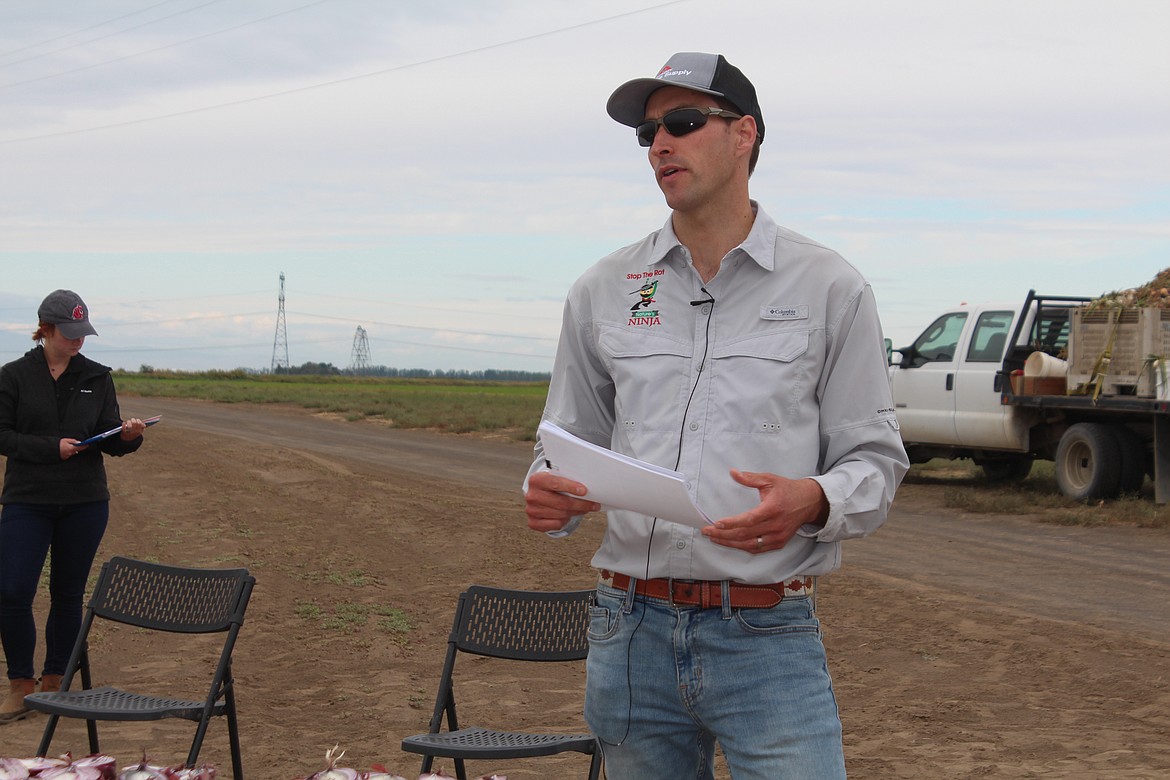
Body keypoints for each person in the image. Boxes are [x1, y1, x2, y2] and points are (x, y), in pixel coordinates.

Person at [523, 53, 909, 778]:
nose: (660, 143)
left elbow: (876, 460)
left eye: (683, 122)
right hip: (627, 631)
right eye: (648, 133)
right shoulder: (604, 288)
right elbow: (564, 443)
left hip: (765, 633)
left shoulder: (831, 287)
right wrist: (548, 492)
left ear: (744, 136)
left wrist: (814, 498)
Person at [0, 289, 148, 724]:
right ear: (45, 330)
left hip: (85, 502)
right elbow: (2, 434)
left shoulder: (98, 377)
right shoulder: (12, 377)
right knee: (11, 591)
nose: (78, 340)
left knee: (67, 594)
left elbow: (108, 437)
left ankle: (54, 684)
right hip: (28, 499)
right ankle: (19, 686)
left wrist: (127, 436)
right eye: (69, 333)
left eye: (83, 332)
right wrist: (51, 448)